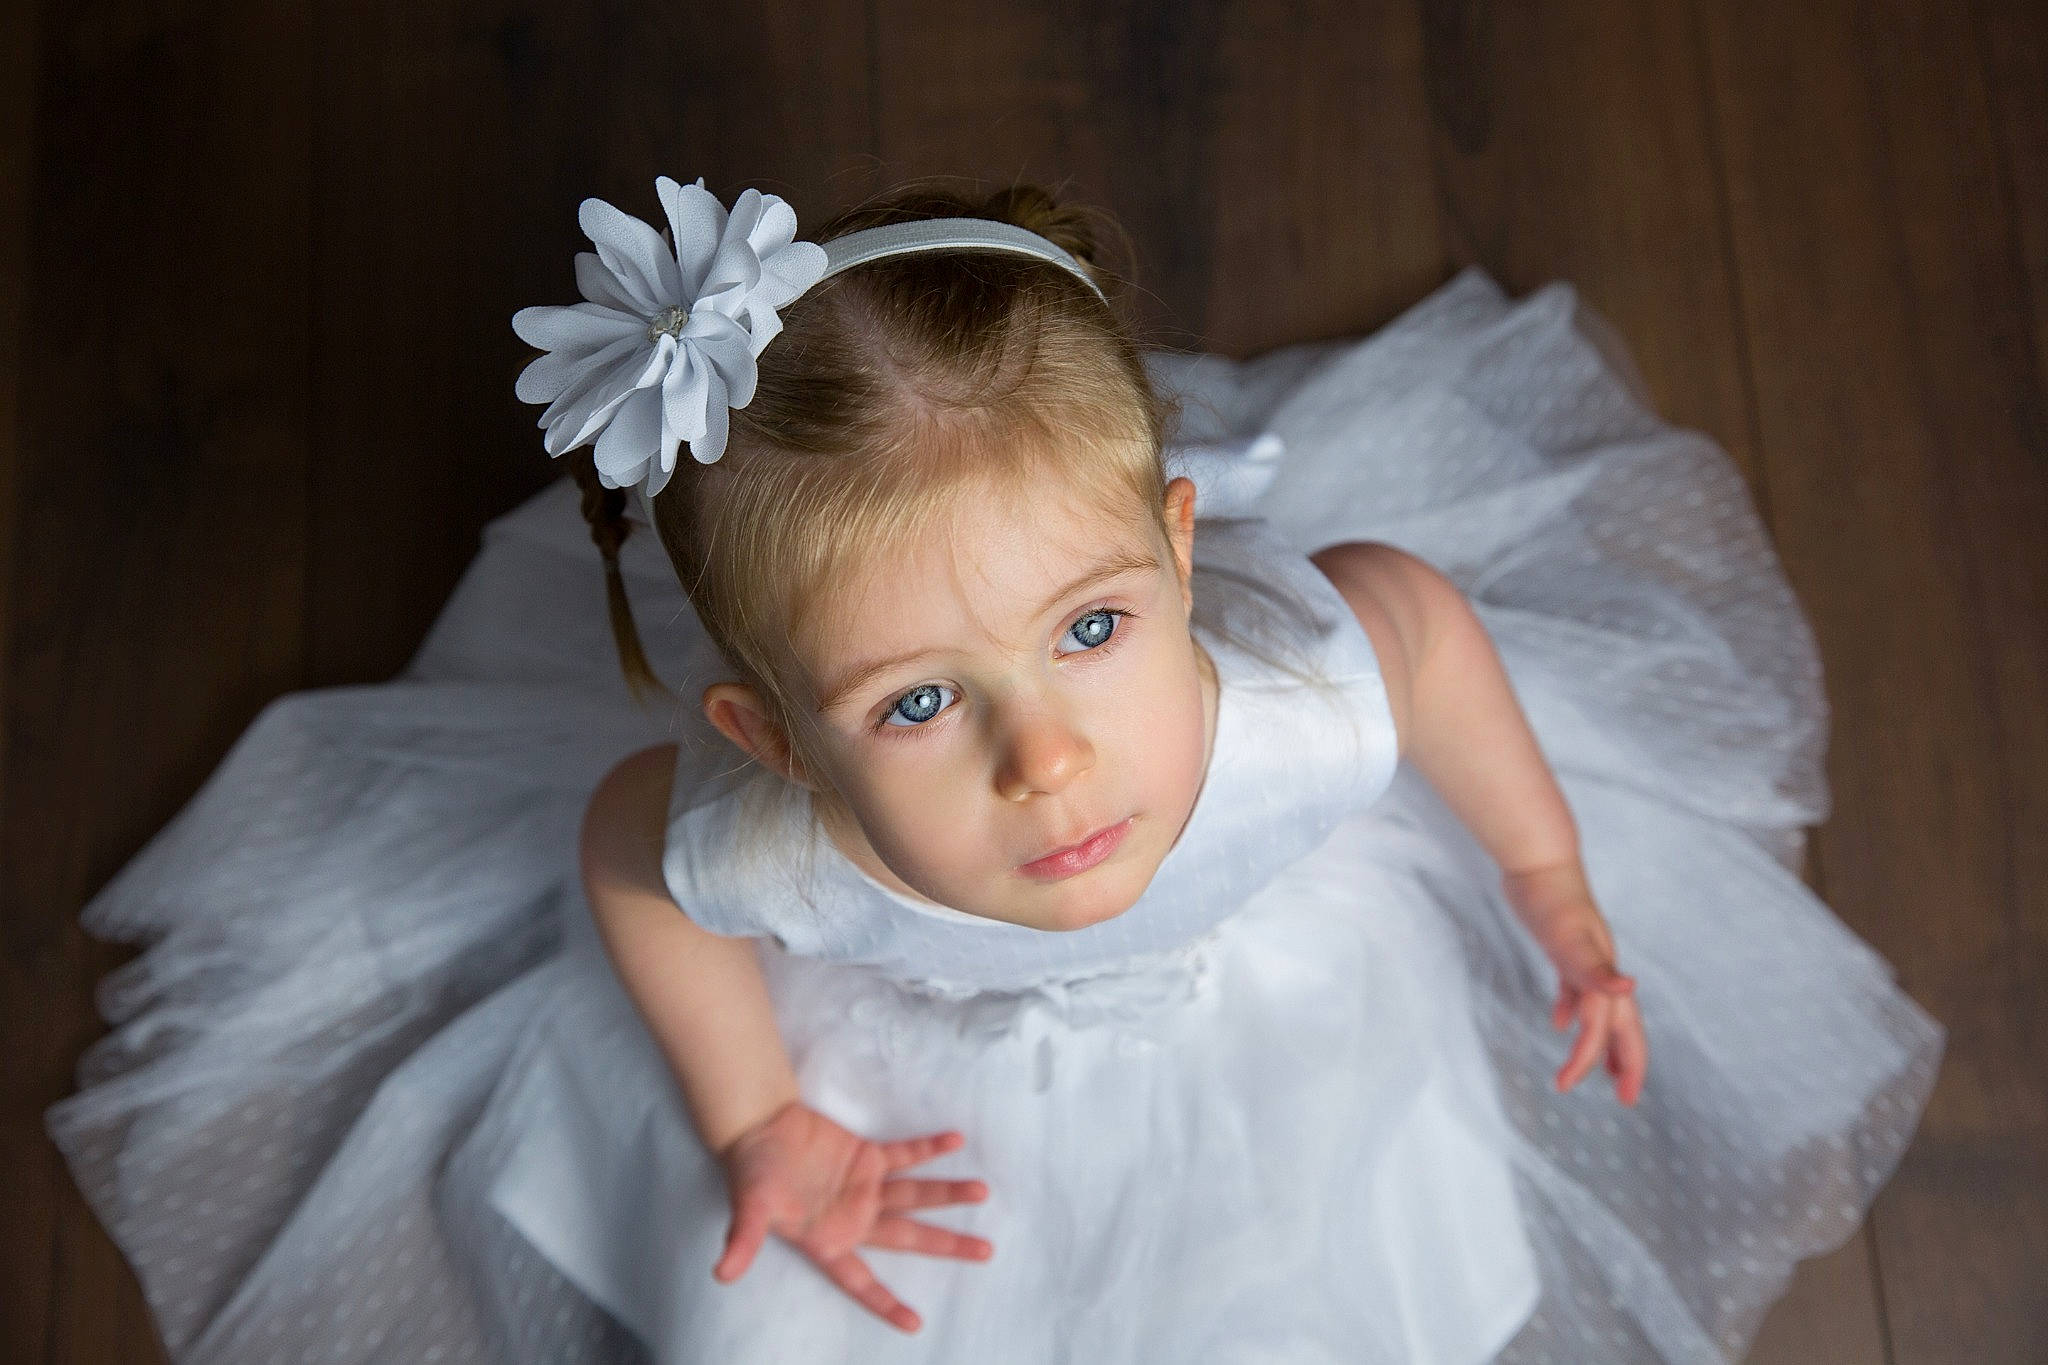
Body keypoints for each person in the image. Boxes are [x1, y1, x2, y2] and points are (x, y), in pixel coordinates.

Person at [46, 174, 1943, 1363]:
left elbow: (1428, 635)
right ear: (774, 739)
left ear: (1184, 557)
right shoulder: (783, 848)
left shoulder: (1296, 705)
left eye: (1095, 629)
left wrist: (1546, 877)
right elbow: (631, 852)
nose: (1048, 758)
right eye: (917, 706)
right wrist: (759, 1117)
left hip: (1277, 997)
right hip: (932, 1076)